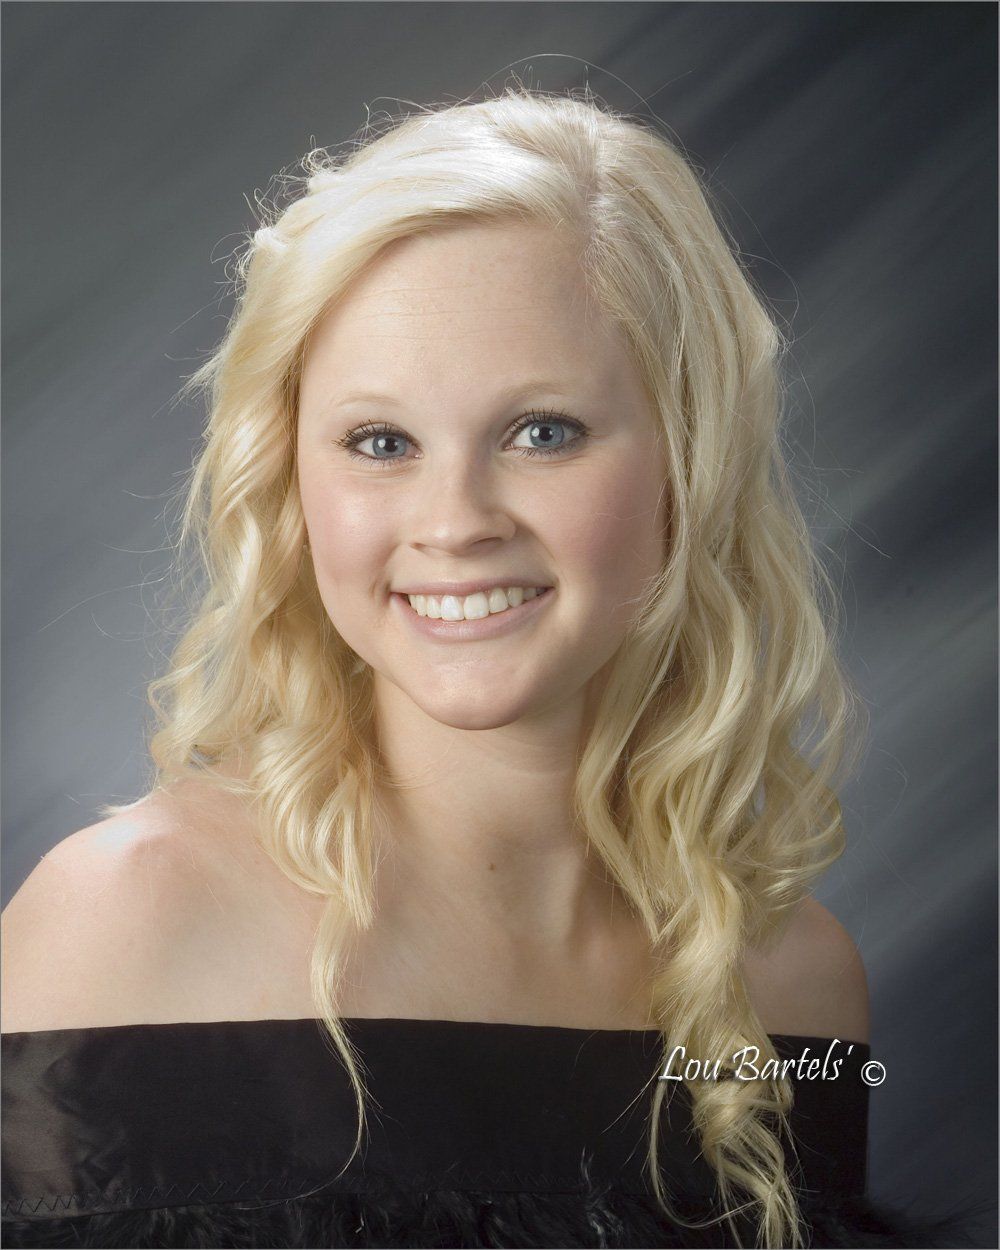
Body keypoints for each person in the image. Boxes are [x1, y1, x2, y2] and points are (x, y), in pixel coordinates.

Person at [0, 86, 972, 1249]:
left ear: (689, 458)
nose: (455, 520)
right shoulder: (130, 917)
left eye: (541, 431)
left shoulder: (792, 988)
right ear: (292, 477)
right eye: (381, 441)